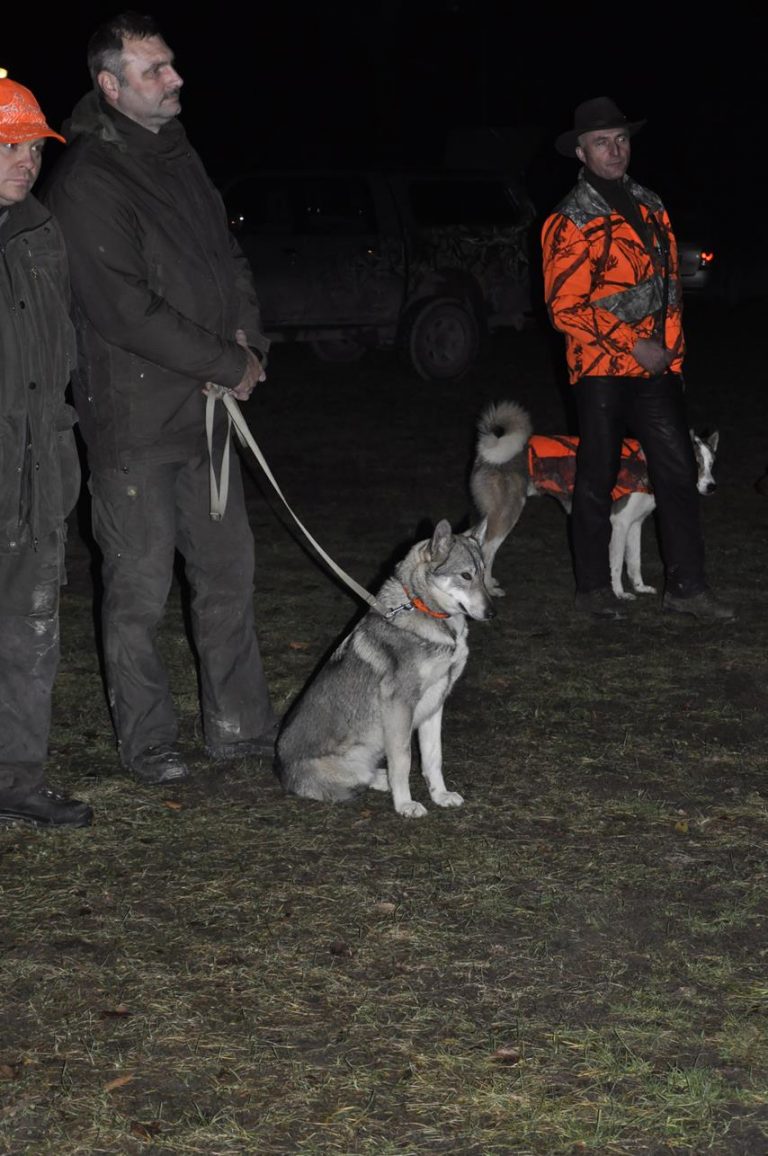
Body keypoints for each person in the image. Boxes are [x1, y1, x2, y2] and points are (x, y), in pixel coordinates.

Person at [42, 12, 278, 784]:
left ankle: (240, 729)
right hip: (137, 421)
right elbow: (122, 308)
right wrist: (221, 359)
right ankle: (149, 742)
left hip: (208, 408)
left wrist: (246, 345)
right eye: (154, 71)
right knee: (139, 590)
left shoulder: (177, 156)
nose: (175, 80)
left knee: (227, 574)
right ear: (110, 86)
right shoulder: (87, 178)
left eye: (172, 65)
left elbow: (226, 256)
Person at [541, 96, 735, 623]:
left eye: (621, 139)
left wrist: (673, 356)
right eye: (601, 142)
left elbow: (670, 290)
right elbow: (565, 307)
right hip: (601, 368)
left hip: (657, 369)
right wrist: (632, 343)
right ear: (581, 153)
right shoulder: (569, 220)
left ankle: (688, 588)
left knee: (676, 471)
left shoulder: (651, 205)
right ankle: (593, 590)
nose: (615, 150)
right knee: (597, 477)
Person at [0, 76, 93, 827]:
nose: (25, 161)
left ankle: (17, 782)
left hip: (37, 480)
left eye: (32, 147)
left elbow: (65, 350)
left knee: (30, 634)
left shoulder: (42, 232)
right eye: (8, 146)